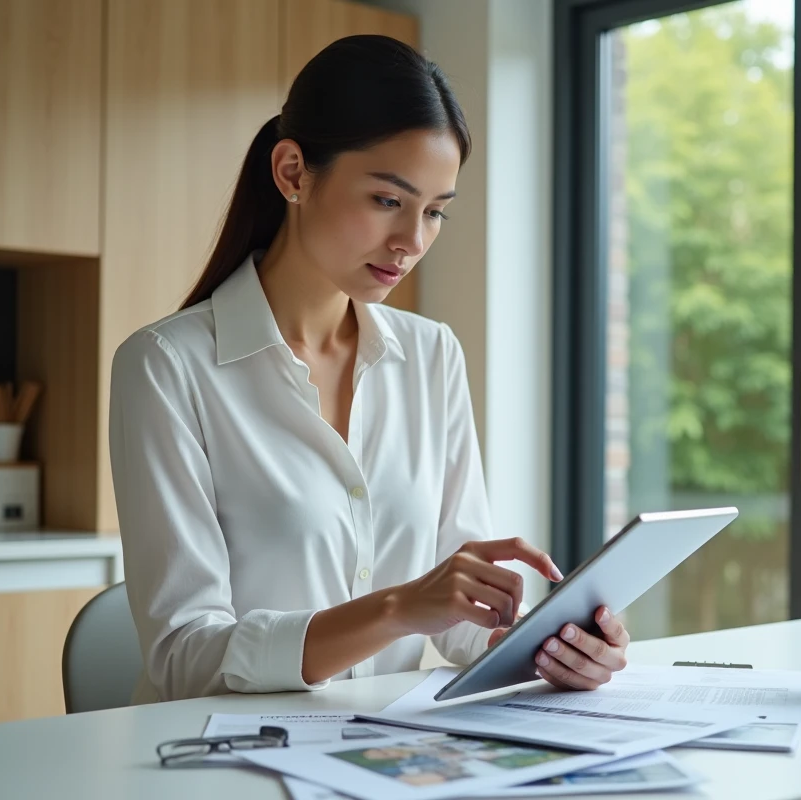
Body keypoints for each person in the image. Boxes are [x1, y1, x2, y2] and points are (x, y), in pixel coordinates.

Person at [108, 34, 630, 704]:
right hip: (220, 748)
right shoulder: (165, 367)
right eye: (388, 200)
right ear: (293, 173)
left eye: (434, 212)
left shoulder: (431, 355)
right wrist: (396, 609)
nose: (412, 241)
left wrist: (554, 646)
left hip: (383, 747)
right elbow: (185, 656)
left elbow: (463, 617)